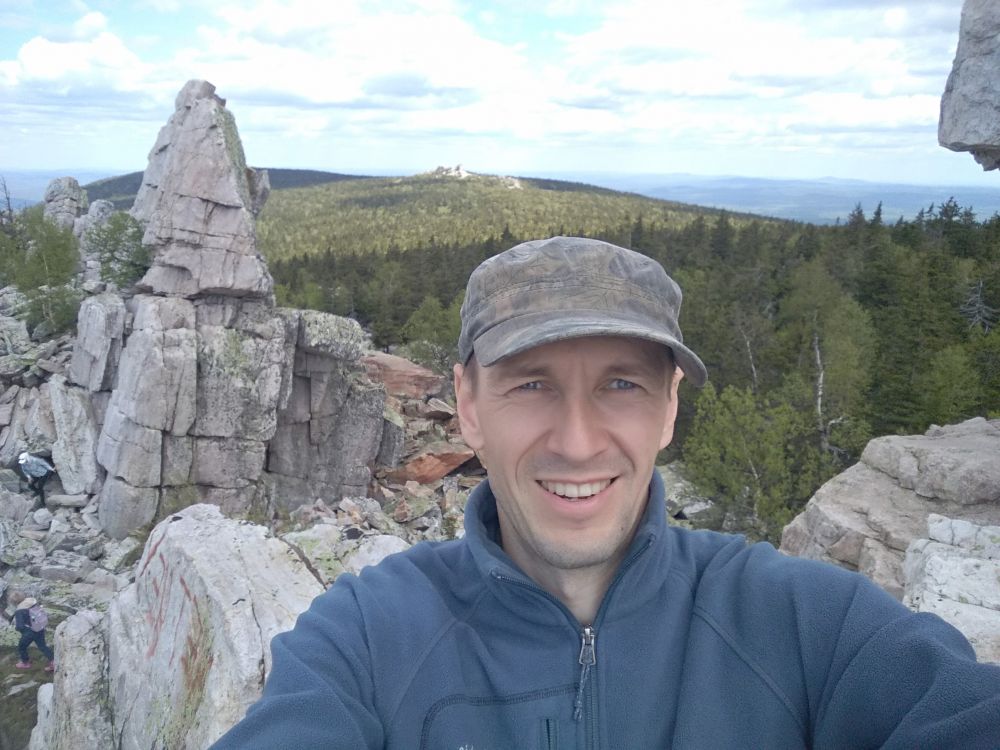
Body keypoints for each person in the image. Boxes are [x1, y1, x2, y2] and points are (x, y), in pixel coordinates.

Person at [213, 236, 1000, 748]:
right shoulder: (367, 637)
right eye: (532, 384)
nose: (579, 441)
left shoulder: (809, 624)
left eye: (622, 384)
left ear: (669, 409)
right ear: (468, 405)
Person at [9, 591, 56, 672]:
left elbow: (20, 626)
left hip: (30, 632)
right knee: (42, 646)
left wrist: (18, 629)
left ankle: (25, 663)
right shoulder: (32, 602)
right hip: (39, 627)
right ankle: (53, 662)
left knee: (22, 647)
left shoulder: (19, 610)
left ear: (14, 602)